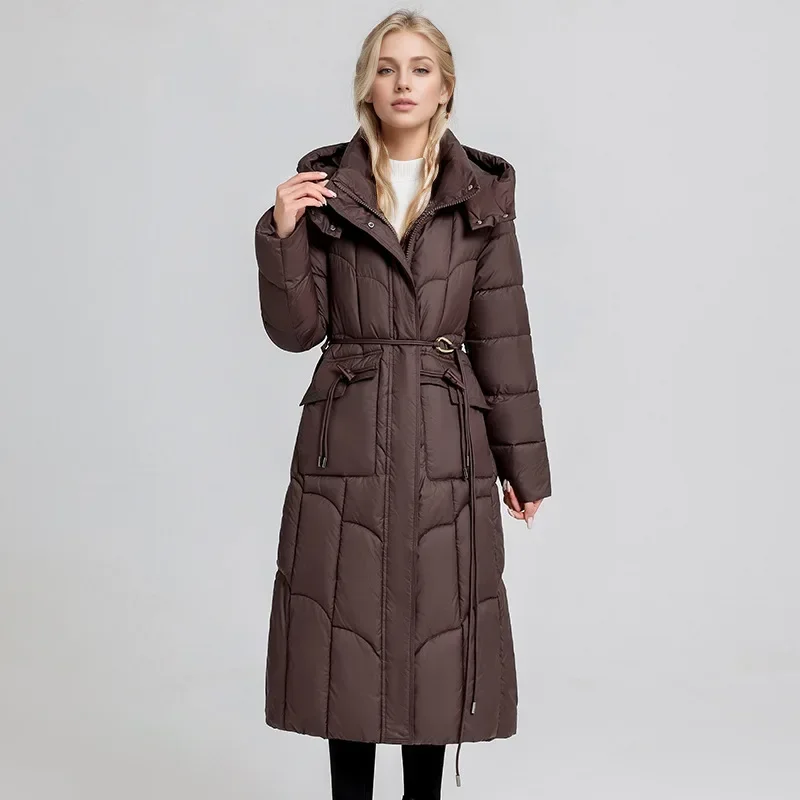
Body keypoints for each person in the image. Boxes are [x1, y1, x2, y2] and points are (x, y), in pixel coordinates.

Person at [254, 9, 552, 799]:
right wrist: (282, 235)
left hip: (449, 441)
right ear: (368, 84)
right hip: (345, 441)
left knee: (436, 638)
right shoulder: (327, 193)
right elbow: (296, 331)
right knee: (343, 642)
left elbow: (504, 341)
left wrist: (524, 468)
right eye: (387, 68)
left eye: (420, 68)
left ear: (444, 86)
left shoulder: (480, 201)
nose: (403, 83)